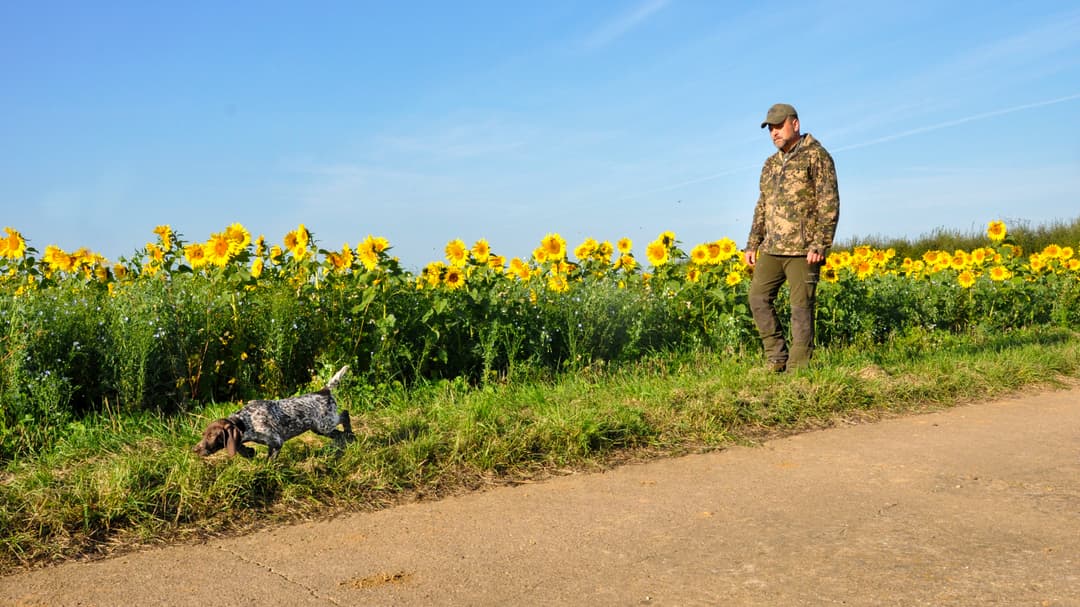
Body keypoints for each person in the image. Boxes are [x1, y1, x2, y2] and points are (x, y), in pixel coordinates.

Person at [744, 103, 839, 372]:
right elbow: (762, 205)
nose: (774, 132)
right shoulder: (770, 164)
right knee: (758, 298)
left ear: (794, 124)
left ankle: (798, 369)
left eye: (778, 126)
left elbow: (829, 202)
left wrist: (821, 242)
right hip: (772, 248)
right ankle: (776, 358)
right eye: (770, 128)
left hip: (804, 249)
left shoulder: (816, 156)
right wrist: (753, 242)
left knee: (801, 308)